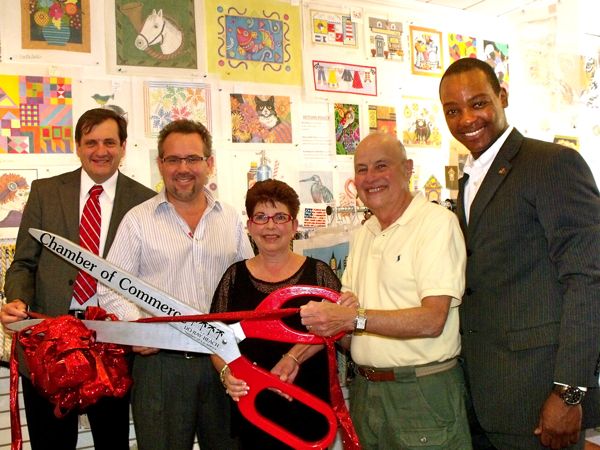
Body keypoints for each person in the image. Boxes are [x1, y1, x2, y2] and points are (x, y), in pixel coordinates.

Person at [438, 57, 600, 449]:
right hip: (483, 397)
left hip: (539, 396)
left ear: (502, 96)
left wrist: (569, 393)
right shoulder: (470, 179)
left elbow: (588, 280)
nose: (467, 119)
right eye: (453, 111)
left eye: (478, 103)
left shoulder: (552, 164)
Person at [300, 132, 471, 449]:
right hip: (368, 392)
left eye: (381, 166)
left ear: (407, 169)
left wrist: (352, 319)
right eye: (362, 169)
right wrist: (327, 324)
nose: (371, 178)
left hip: (421, 392)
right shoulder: (365, 232)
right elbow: (351, 326)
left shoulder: (436, 223)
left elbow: (432, 320)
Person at [1, 108, 156, 450]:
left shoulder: (145, 201)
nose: (100, 150)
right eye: (91, 142)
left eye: (109, 142)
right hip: (50, 345)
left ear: (124, 146)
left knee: (112, 440)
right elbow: (24, 262)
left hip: (114, 345)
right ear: (78, 146)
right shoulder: (45, 192)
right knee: (51, 442)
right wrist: (16, 300)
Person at [98, 119, 254, 450]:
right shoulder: (137, 220)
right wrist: (140, 328)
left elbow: (247, 282)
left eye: (193, 159)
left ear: (209, 164)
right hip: (161, 369)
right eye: (173, 159)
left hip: (224, 363)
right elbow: (109, 287)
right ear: (160, 164)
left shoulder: (230, 219)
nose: (183, 168)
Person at [210, 179, 342, 449]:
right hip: (253, 407)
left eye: (280, 217)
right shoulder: (234, 277)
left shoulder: (319, 274)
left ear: (294, 226)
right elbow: (215, 339)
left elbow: (339, 328)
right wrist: (226, 373)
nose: (270, 226)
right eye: (261, 217)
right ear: (249, 226)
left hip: (308, 405)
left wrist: (294, 356)